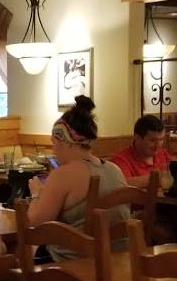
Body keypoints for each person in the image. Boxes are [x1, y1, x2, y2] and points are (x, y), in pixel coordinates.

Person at [26, 96, 130, 260]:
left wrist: (36, 194)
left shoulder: (63, 175)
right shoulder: (114, 169)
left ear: (65, 142)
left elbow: (35, 227)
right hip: (120, 259)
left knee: (20, 254)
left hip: (77, 263)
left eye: (54, 143)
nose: (53, 150)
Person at [109, 114, 172, 187]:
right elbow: (123, 184)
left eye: (161, 139)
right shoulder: (120, 160)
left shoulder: (163, 154)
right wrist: (160, 178)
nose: (158, 145)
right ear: (137, 138)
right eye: (153, 140)